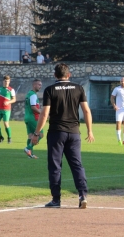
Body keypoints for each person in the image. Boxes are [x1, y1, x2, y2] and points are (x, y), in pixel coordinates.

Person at [31, 63, 94, 208]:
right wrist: (90, 130)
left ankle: (56, 199)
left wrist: (36, 133)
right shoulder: (78, 88)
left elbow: (45, 113)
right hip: (74, 133)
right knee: (77, 165)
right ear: (69, 75)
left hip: (56, 133)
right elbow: (86, 111)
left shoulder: (50, 90)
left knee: (55, 166)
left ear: (55, 75)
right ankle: (83, 195)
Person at [0, 75, 16, 143]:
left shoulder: (11, 90)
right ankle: (1, 137)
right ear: (3, 81)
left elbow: (14, 99)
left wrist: (8, 102)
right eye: (5, 81)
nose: (6, 82)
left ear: (9, 82)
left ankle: (9, 138)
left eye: (8, 81)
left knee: (6, 124)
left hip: (6, 110)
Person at [23, 78, 43, 159]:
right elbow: (33, 107)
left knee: (31, 136)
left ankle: (30, 154)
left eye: (41, 85)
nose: (40, 86)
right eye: (39, 85)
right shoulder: (33, 95)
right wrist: (42, 113)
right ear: (34, 85)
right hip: (33, 118)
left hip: (28, 117)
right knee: (40, 135)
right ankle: (28, 148)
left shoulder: (29, 94)